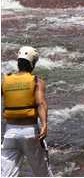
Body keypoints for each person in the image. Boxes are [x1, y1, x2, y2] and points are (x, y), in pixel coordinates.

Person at [1, 46, 53, 177]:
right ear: (33, 63)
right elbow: (41, 103)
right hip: (30, 132)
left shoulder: (5, 81)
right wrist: (45, 125)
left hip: (9, 134)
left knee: (6, 174)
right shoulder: (36, 81)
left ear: (18, 62)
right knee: (43, 174)